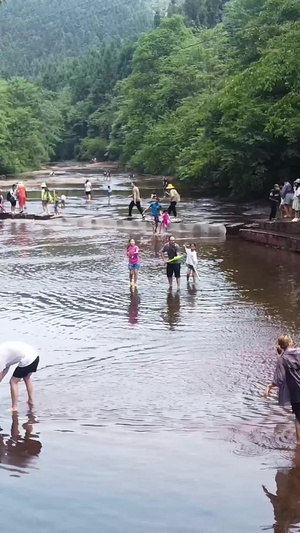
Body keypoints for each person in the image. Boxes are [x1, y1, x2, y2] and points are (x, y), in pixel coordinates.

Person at [265, 335, 300, 444]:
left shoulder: (282, 359)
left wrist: (269, 386)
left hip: (295, 391)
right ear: (290, 342)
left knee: (299, 418)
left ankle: (299, 443)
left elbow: (278, 379)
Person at [0, 341, 39, 412]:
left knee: (13, 382)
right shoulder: (2, 350)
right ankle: (31, 401)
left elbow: (1, 371)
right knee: (27, 378)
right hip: (35, 356)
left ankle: (14, 408)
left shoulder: (1, 358)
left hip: (28, 359)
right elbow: (5, 368)